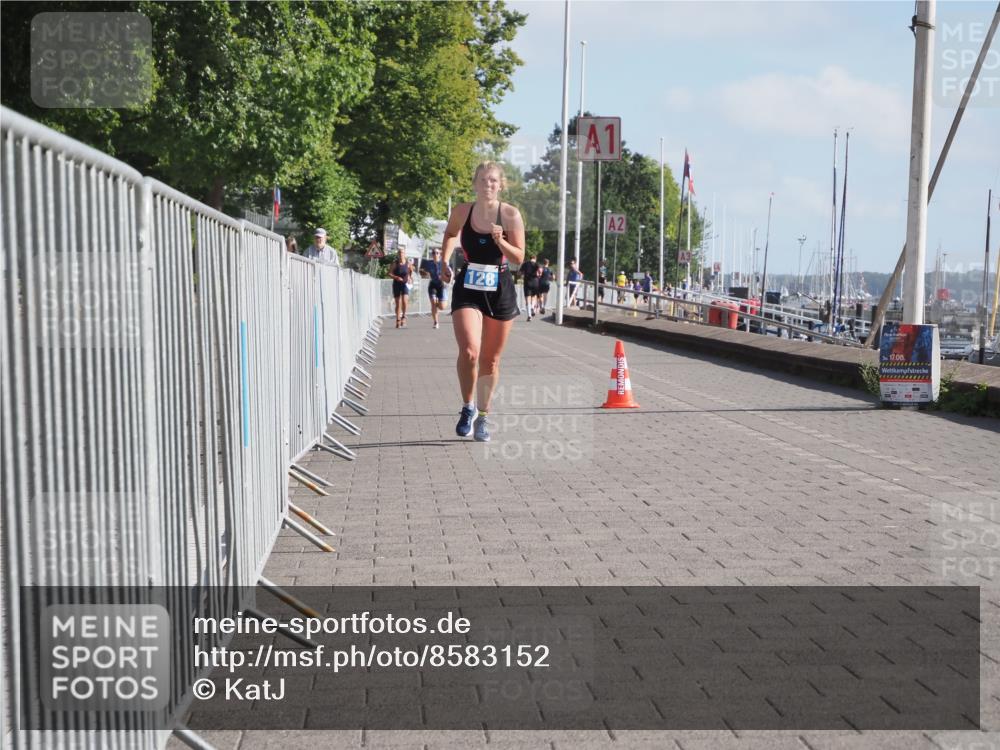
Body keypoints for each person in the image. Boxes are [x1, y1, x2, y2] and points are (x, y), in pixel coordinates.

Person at [440, 161, 525, 442]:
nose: (487, 185)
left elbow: (518, 258)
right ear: (475, 183)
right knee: (470, 351)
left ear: (500, 185)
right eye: (483, 180)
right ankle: (468, 407)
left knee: (490, 360)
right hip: (468, 285)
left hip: (499, 288)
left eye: (493, 181)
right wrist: (444, 260)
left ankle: (484, 417)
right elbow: (451, 234)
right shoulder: (463, 211)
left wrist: (501, 242)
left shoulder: (510, 215)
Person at [423, 248, 447, 329]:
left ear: (439, 254)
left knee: (442, 307)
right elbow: (422, 271)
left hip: (441, 286)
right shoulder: (429, 263)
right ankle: (436, 322)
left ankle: (438, 304)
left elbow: (450, 274)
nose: (434, 255)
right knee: (433, 302)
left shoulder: (443, 263)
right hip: (433, 285)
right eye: (433, 253)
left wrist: (446, 278)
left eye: (436, 253)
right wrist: (425, 274)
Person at [389, 247, 412, 328]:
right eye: (399, 253)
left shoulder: (408, 263)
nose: (401, 254)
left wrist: (410, 278)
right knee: (398, 303)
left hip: (405, 284)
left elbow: (410, 272)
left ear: (404, 254)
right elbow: (389, 273)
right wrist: (396, 277)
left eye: (402, 252)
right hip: (397, 284)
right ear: (398, 254)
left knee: (405, 302)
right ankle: (398, 319)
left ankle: (404, 317)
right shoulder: (395, 263)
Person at [520, 253, 540, 321]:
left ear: (530, 258)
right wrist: (538, 275)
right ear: (535, 258)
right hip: (535, 282)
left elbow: (520, 272)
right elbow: (540, 271)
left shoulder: (525, 264)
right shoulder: (537, 264)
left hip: (527, 282)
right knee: (534, 296)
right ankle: (532, 307)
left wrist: (523, 274)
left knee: (527, 299)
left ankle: (529, 315)